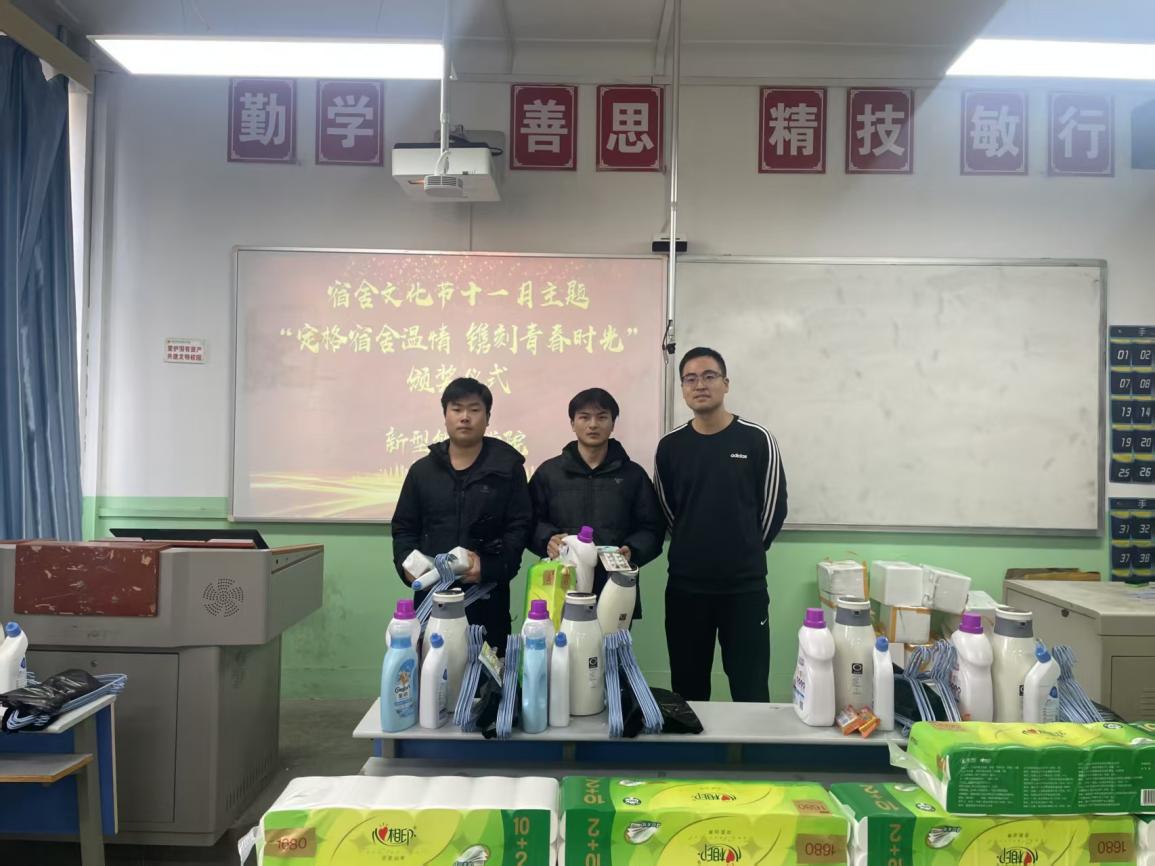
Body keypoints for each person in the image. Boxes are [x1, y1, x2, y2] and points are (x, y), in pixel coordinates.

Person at [654, 347, 788, 702]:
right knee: (688, 687)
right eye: (690, 379)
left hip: (743, 589)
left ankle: (750, 743)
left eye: (709, 376)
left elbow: (773, 509)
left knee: (750, 686)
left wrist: (743, 550)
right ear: (683, 389)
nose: (700, 385)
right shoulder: (670, 447)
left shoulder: (757, 439)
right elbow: (668, 510)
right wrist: (694, 544)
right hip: (686, 588)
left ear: (725, 384)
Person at [392, 377, 532, 649]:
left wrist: (489, 567)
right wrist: (407, 566)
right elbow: (404, 528)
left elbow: (519, 527)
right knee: (431, 667)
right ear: (445, 415)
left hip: (488, 597)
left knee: (489, 668)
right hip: (432, 596)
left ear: (487, 417)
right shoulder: (422, 471)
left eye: (474, 410)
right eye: (456, 409)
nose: (465, 417)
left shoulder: (507, 469)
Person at [528, 388, 665, 619]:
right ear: (572, 423)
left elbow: (652, 527)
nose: (593, 424)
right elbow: (528, 521)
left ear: (612, 424)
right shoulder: (549, 473)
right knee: (558, 641)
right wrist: (546, 539)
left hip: (614, 585)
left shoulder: (633, 475)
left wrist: (633, 550)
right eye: (584, 417)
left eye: (602, 417)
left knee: (612, 642)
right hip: (560, 583)